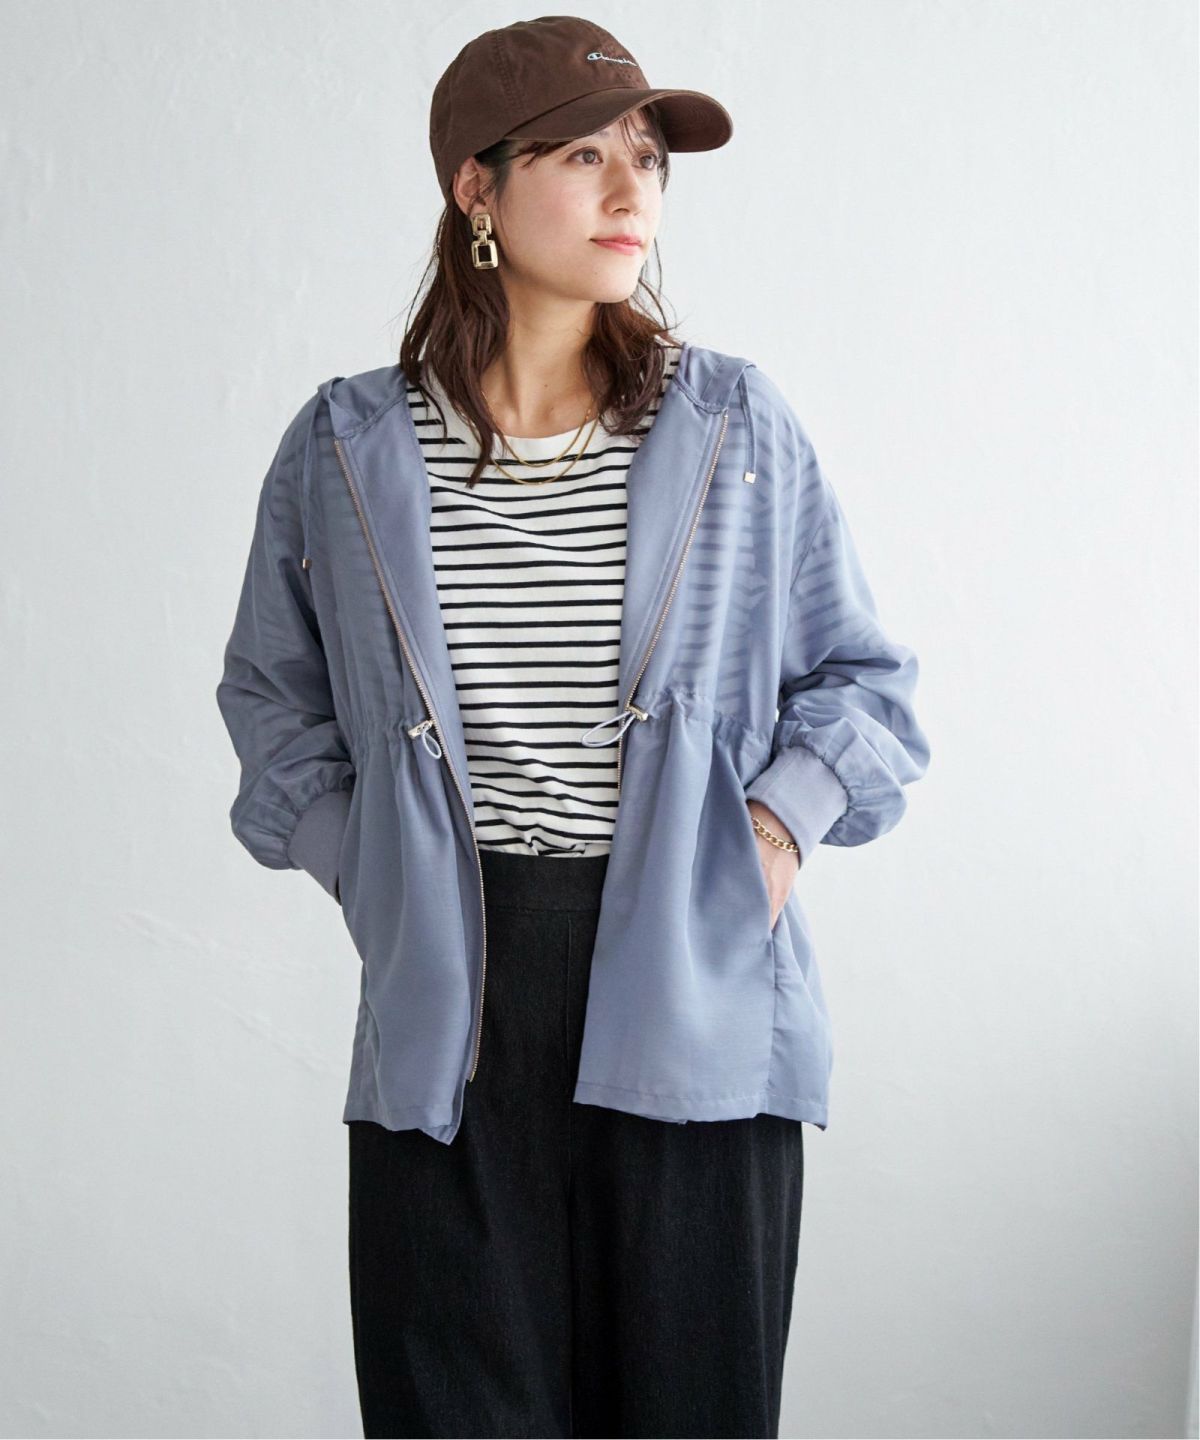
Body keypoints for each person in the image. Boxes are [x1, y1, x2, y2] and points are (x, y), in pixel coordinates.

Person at [215, 16, 931, 1438]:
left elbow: (866, 684)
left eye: (648, 160)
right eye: (582, 155)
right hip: (452, 1002)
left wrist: (772, 834)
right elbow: (270, 700)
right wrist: (370, 870)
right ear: (475, 187)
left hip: (693, 975)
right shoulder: (347, 446)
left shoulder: (732, 427)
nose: (630, 191)